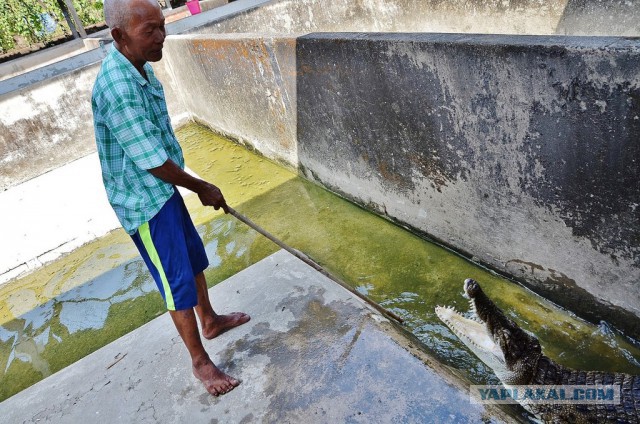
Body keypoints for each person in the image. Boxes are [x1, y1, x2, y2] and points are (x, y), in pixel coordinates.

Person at [91, 0, 250, 397]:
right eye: (151, 31)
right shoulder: (118, 86)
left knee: (192, 258)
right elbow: (149, 160)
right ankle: (200, 362)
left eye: (163, 26)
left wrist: (189, 185)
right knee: (175, 282)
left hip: (161, 189)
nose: (162, 37)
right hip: (143, 200)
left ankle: (210, 321)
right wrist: (201, 186)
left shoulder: (139, 66)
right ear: (119, 36)